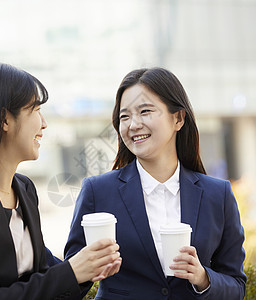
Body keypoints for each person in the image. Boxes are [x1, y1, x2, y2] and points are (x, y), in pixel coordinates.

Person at [0, 63, 121, 300]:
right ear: (4, 119)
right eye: (35, 110)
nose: (44, 123)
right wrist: (72, 271)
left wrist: (91, 267)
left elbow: (45, 276)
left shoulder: (24, 189)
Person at [64, 67, 246, 299]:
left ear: (178, 118)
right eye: (124, 116)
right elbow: (69, 282)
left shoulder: (217, 195)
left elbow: (237, 286)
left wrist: (202, 277)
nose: (133, 124)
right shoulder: (98, 192)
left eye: (145, 111)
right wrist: (89, 270)